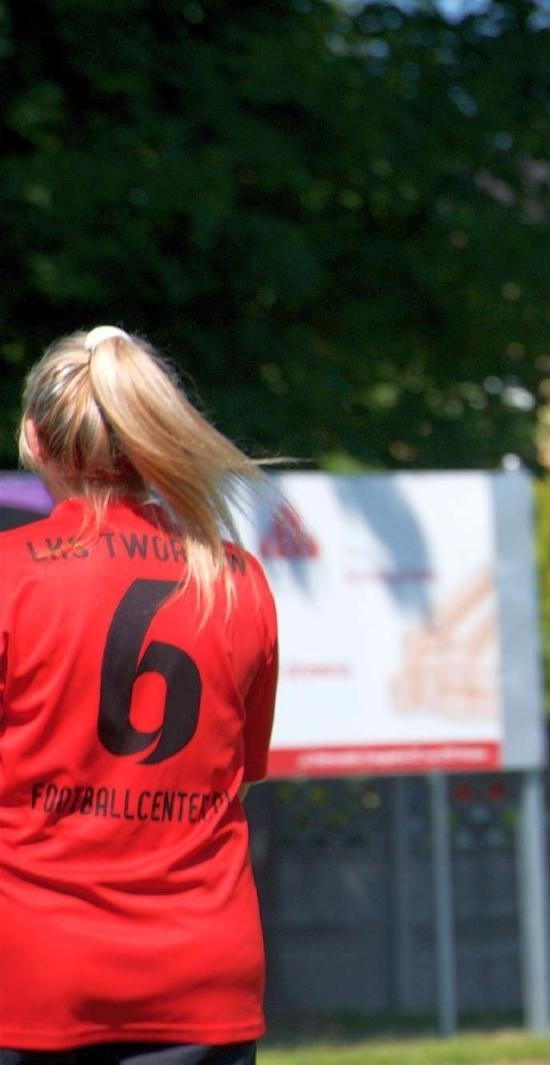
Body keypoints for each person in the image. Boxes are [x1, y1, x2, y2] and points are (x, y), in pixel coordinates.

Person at [0, 326, 279, 1065]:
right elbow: (234, 778)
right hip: (202, 975)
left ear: (33, 436)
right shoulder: (235, 578)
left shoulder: (10, 574)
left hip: (31, 976)